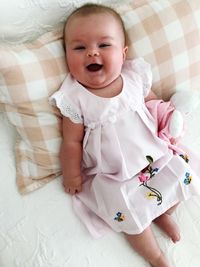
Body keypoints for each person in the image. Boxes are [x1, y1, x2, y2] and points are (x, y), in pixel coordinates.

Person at [50, 3, 200, 267]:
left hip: (153, 156)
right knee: (126, 214)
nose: (92, 52)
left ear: (123, 52)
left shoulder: (133, 76)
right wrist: (72, 173)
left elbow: (153, 106)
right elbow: (71, 142)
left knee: (181, 174)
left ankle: (161, 212)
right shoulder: (74, 97)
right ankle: (155, 255)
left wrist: (167, 123)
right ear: (66, 56)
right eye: (79, 48)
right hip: (114, 174)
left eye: (104, 45)